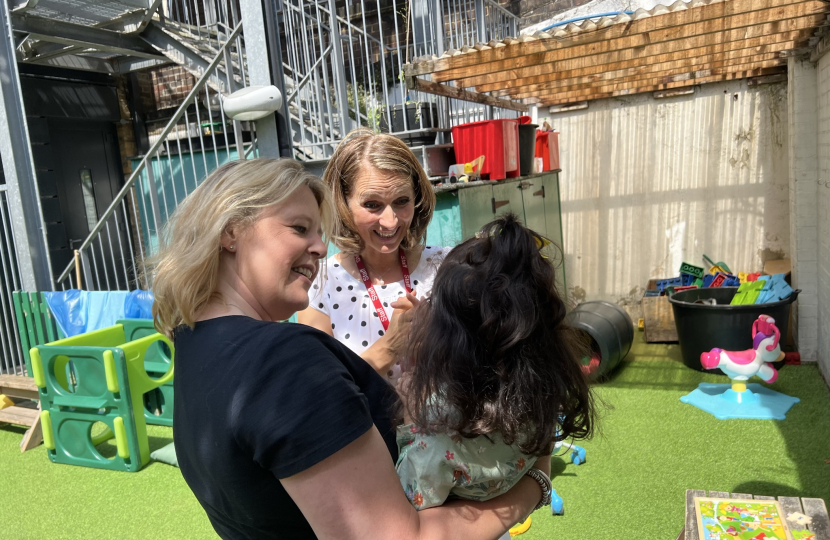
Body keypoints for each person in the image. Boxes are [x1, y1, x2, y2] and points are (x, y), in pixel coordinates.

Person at [150, 158, 550, 540]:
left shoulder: (192, 342)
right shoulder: (285, 360)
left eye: (317, 233)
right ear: (231, 231)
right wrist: (535, 481)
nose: (319, 248)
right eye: (299, 228)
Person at [396, 214, 595, 516]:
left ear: (447, 339)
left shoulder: (436, 438)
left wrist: (410, 415)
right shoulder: (540, 400)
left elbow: (409, 505)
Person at [298, 129, 448, 382]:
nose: (390, 221)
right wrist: (390, 346)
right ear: (342, 204)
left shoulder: (445, 267)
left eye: (402, 201)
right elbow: (322, 388)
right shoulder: (319, 282)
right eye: (372, 205)